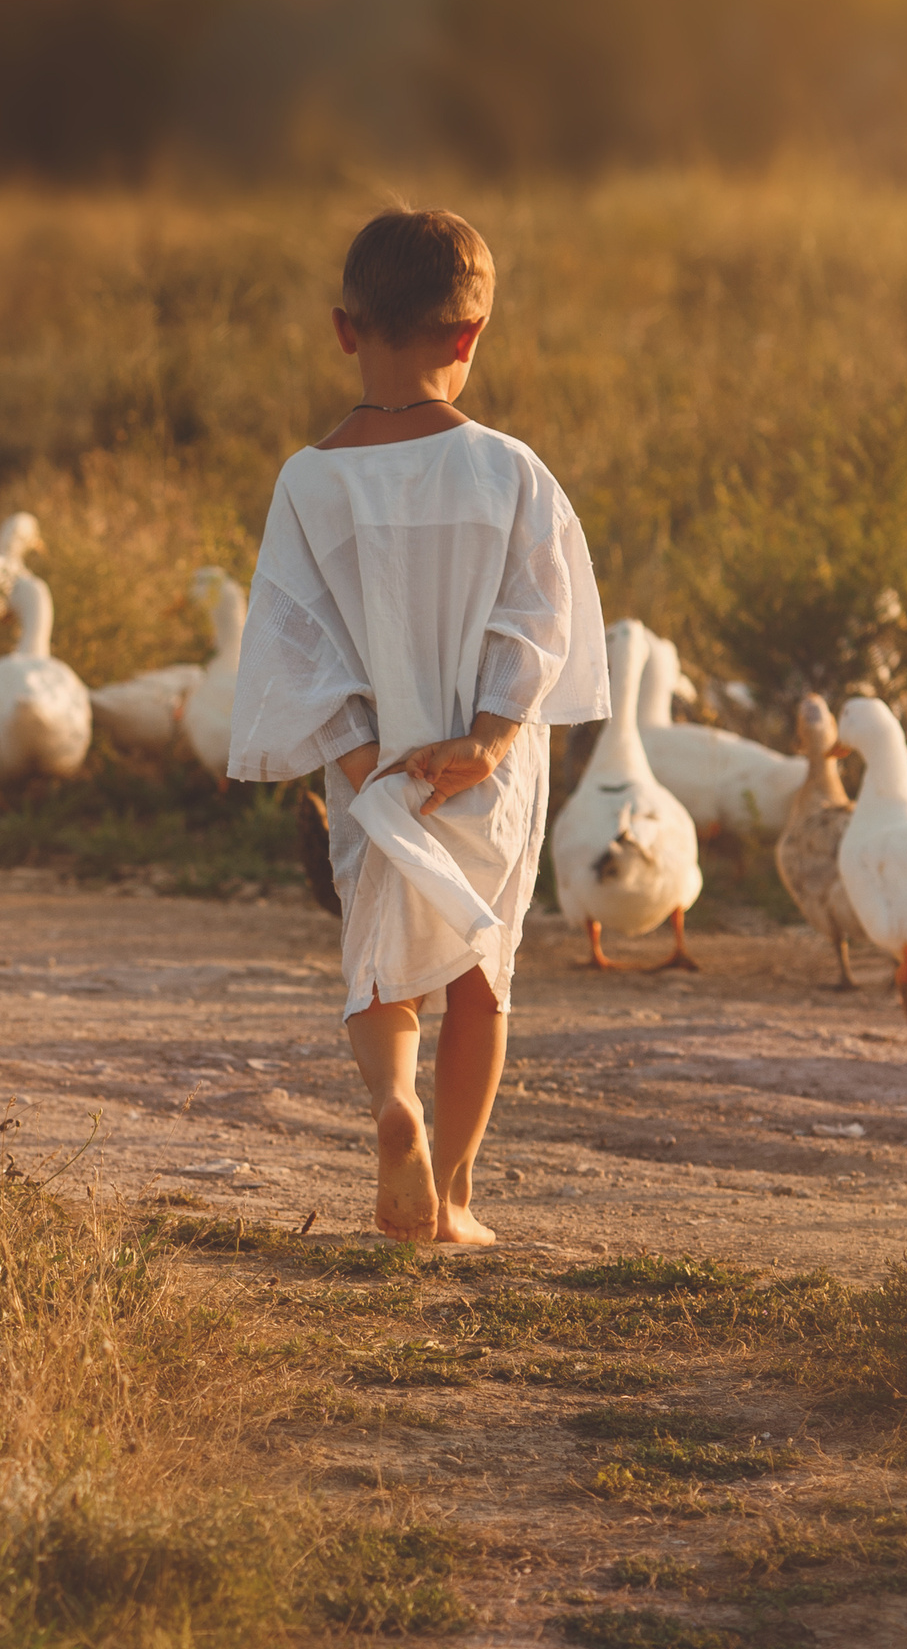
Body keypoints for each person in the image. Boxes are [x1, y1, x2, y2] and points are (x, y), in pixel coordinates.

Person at [228, 208, 607, 1245]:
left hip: (376, 769)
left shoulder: (307, 481)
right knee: (481, 973)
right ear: (469, 335)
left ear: (344, 328)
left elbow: (293, 640)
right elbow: (541, 617)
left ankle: (393, 1107)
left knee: (379, 960)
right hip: (484, 773)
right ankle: (455, 1196)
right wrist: (485, 739)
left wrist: (358, 759)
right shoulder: (511, 470)